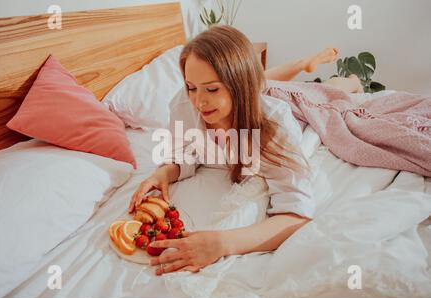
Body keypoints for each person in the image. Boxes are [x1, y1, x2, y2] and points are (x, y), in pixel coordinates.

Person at [128, 25, 363, 276]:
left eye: (212, 88)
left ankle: (350, 80)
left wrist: (221, 244)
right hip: (254, 88)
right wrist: (166, 172)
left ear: (237, 86)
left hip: (291, 104)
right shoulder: (184, 103)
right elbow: (186, 152)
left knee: (328, 92)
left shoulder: (275, 125)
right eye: (191, 87)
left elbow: (297, 214)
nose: (198, 101)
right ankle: (300, 66)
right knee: (264, 79)